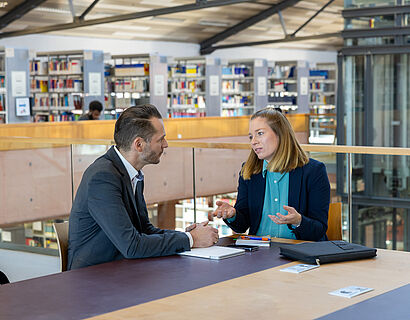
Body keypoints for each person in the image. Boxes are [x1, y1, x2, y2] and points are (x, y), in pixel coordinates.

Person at [68, 104, 218, 270]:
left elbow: (144, 230)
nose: (166, 144)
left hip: (121, 269)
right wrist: (192, 239)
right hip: (93, 277)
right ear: (138, 144)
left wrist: (187, 235)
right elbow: (132, 246)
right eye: (160, 139)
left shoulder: (131, 172)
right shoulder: (103, 177)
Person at [209, 107, 330, 241]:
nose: (253, 141)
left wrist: (298, 221)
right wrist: (232, 214)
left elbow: (319, 230)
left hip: (299, 252)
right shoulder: (248, 171)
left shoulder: (313, 171)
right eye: (251, 136)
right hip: (259, 253)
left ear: (280, 133)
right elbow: (242, 226)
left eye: (260, 133)